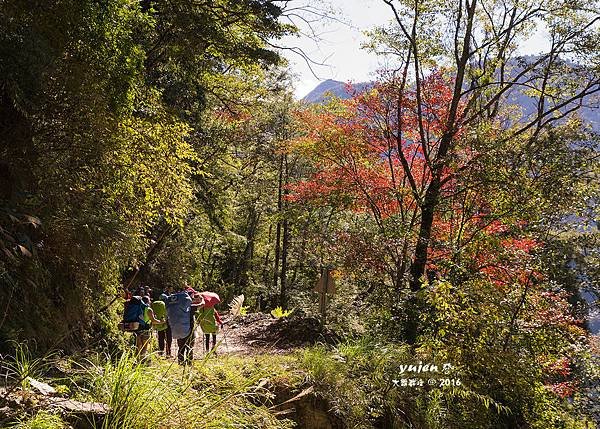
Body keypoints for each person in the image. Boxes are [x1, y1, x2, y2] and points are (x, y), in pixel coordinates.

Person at [166, 285, 202, 365]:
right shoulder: (190, 308)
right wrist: (201, 299)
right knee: (189, 348)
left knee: (181, 348)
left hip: (177, 330)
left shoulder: (177, 309)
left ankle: (181, 363)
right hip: (189, 330)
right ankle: (189, 363)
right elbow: (202, 304)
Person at [136, 295, 164, 361]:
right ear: (148, 301)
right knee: (144, 347)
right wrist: (161, 322)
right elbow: (153, 321)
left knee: (138, 347)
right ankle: (142, 362)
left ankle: (137, 361)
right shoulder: (148, 309)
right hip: (145, 330)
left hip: (137, 329)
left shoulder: (138, 308)